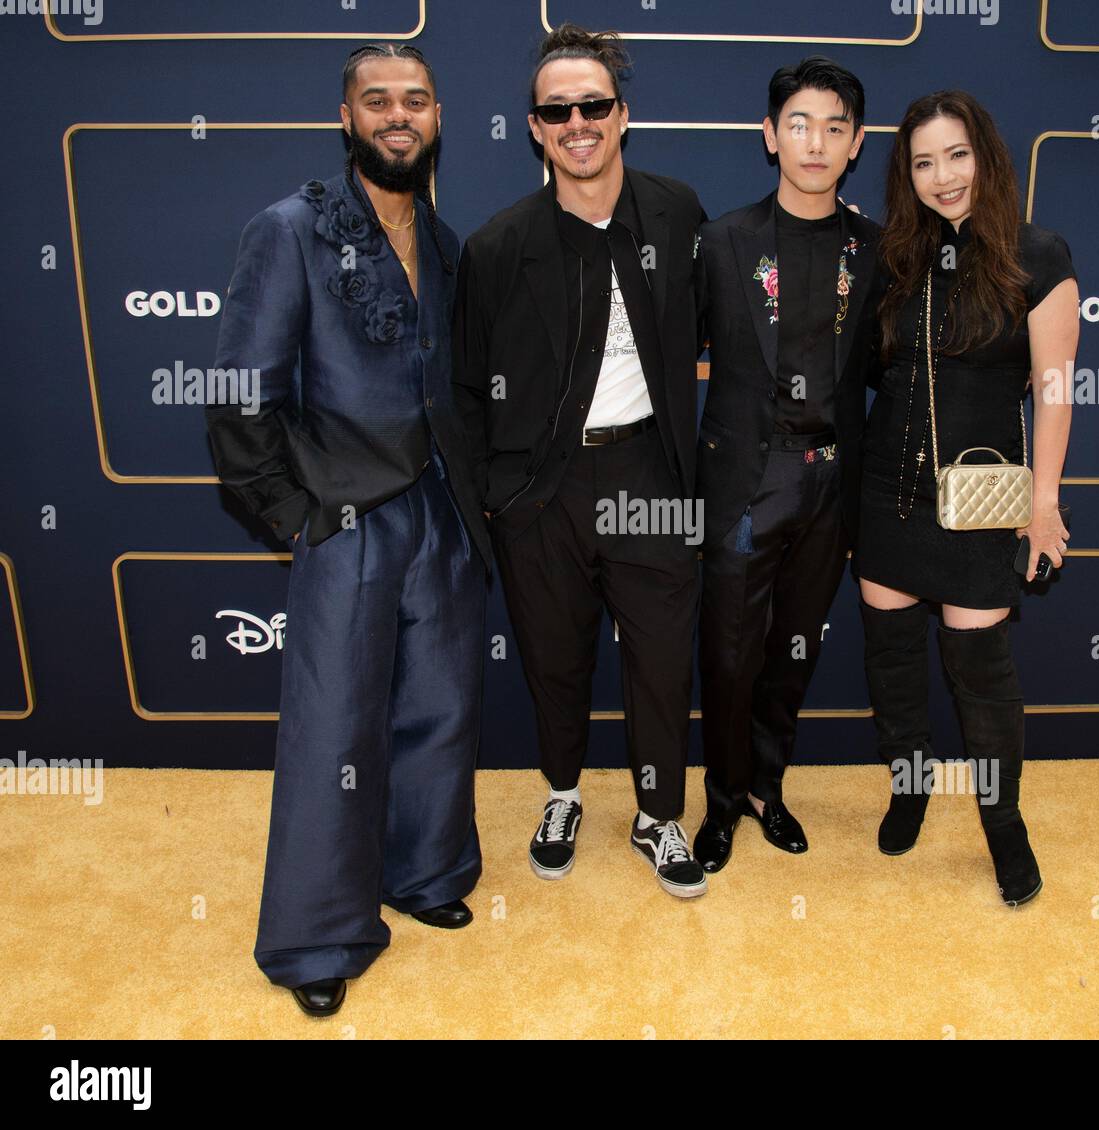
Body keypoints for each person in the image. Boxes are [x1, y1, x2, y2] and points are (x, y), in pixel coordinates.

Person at [206, 43, 492, 1016]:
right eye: (378, 101)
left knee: (441, 708)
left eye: (415, 99)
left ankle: (424, 871)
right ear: (347, 118)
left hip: (441, 516)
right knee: (335, 725)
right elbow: (240, 391)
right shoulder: (288, 230)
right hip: (343, 516)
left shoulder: (451, 247)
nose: (397, 115)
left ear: (438, 116)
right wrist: (293, 513)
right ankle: (319, 932)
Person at [452, 24, 709, 897]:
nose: (577, 122)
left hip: (652, 477)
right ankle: (562, 795)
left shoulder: (679, 214)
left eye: (592, 105)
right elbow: (461, 385)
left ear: (622, 115)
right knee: (553, 657)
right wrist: (496, 495)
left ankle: (657, 815)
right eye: (557, 109)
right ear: (534, 127)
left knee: (662, 658)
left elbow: (726, 344)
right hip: (541, 490)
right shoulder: (496, 247)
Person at [855, 90, 1077, 907]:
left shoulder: (1037, 256)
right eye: (923, 162)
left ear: (985, 156)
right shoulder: (894, 258)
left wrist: (1043, 501)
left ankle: (1004, 823)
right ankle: (908, 784)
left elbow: (1054, 390)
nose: (942, 176)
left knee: (980, 673)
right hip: (888, 490)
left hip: (985, 499)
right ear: (905, 175)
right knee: (892, 658)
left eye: (956, 155)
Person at [692, 57, 884, 872]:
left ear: (856, 144)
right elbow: (673, 363)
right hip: (745, 481)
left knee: (794, 646)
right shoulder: (722, 242)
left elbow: (896, 367)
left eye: (834, 127)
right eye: (799, 124)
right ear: (770, 136)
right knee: (730, 652)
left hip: (829, 483)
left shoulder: (878, 250)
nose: (816, 142)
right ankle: (724, 800)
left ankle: (769, 789)